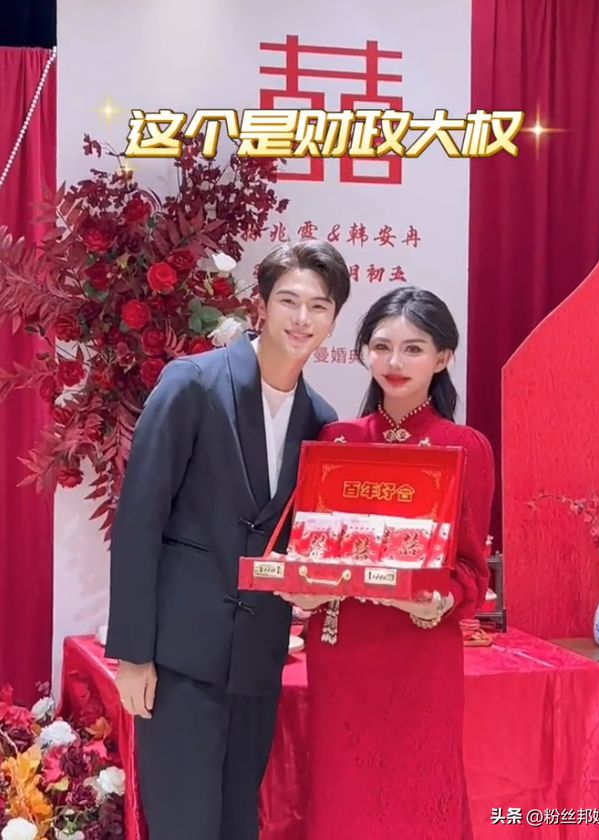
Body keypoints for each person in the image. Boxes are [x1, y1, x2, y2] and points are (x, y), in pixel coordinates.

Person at [105, 240, 351, 840]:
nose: (302, 318)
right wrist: (133, 655)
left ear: (333, 321)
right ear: (260, 305)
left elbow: (302, 541)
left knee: (240, 824)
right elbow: (139, 520)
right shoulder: (192, 383)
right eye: (289, 301)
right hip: (179, 662)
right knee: (183, 826)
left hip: (257, 665)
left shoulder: (321, 421)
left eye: (319, 307)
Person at [279, 286, 495, 840]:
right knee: (342, 797)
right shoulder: (336, 439)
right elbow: (311, 551)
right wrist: (304, 590)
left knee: (417, 797)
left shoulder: (464, 446)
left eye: (413, 348)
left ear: (443, 358)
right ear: (364, 353)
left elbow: (473, 571)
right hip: (342, 648)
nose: (394, 362)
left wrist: (438, 602)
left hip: (418, 651)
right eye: (381, 346)